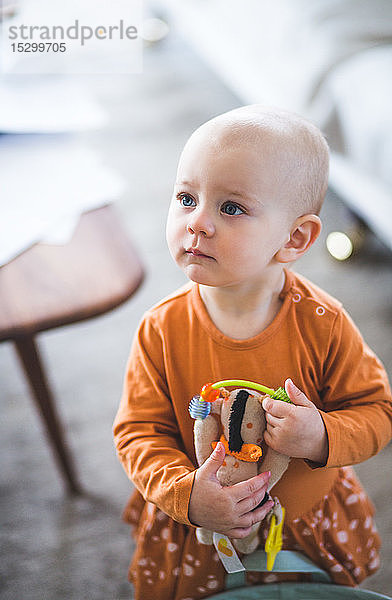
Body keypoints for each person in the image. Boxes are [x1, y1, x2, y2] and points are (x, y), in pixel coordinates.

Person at [113, 105, 392, 600]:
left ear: (295, 238)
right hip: (197, 526)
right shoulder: (161, 328)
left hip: (303, 524)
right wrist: (186, 494)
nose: (197, 223)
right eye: (186, 197)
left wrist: (322, 434)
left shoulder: (324, 324)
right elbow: (139, 431)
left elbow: (377, 412)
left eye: (231, 207)